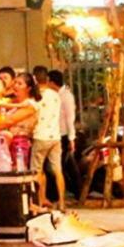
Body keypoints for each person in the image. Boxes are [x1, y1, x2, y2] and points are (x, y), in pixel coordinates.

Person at [31, 69, 65, 212]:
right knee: (58, 170)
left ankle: (40, 200)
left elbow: (34, 116)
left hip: (40, 136)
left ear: (34, 78)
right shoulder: (55, 95)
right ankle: (62, 203)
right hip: (55, 136)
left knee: (37, 170)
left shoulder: (37, 96)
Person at [51, 69, 80, 197]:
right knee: (67, 165)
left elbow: (70, 118)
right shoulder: (56, 95)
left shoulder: (66, 96)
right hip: (58, 133)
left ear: (52, 82)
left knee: (63, 165)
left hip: (64, 134)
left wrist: (71, 138)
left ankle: (74, 190)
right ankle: (77, 190)